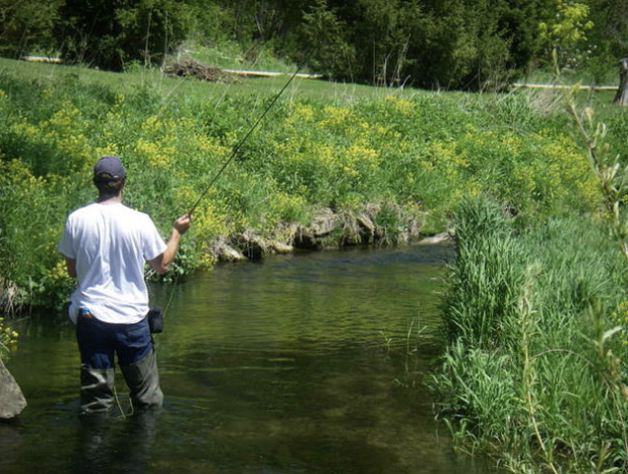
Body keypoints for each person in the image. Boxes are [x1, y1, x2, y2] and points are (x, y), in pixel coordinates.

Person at [58, 156, 191, 415]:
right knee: (147, 400)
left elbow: (71, 270)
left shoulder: (76, 219)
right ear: (123, 184)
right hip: (132, 321)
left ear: (96, 184)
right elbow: (162, 264)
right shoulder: (140, 220)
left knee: (96, 403)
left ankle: (93, 452)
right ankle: (140, 452)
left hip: (91, 318)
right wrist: (176, 233)